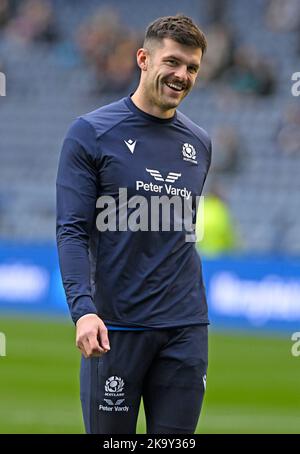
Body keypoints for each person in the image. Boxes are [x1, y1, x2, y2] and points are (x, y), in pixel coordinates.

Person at [56, 14, 212, 434]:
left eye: (192, 67)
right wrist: (83, 311)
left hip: (185, 326)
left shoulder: (199, 143)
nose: (182, 75)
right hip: (115, 327)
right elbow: (71, 229)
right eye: (173, 62)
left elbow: (178, 233)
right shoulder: (90, 133)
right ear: (143, 59)